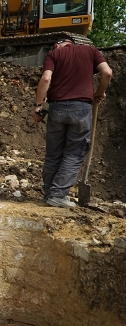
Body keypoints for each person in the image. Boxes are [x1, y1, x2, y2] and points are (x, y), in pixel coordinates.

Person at [32, 38, 113, 208]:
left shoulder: (54, 54)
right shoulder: (91, 51)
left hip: (57, 108)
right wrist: (99, 92)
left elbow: (46, 79)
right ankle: (58, 194)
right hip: (81, 109)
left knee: (53, 152)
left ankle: (49, 193)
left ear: (57, 45)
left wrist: (38, 106)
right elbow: (107, 73)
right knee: (74, 153)